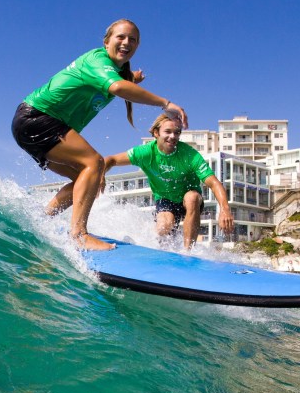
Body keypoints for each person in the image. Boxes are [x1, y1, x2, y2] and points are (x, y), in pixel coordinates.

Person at [11, 19, 188, 251]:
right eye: (121, 37)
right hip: (38, 118)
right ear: (106, 42)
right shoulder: (97, 60)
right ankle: (79, 235)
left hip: (33, 124)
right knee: (94, 163)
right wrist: (166, 103)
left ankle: (42, 220)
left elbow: (123, 81)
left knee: (86, 181)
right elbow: (117, 87)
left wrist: (134, 77)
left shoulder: (116, 71)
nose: (127, 42)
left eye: (133, 40)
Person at [104, 113, 234, 249]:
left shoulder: (189, 154)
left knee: (192, 198)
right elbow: (110, 160)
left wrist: (225, 210)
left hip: (189, 198)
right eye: (167, 132)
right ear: (156, 133)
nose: (173, 136)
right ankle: (161, 250)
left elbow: (214, 183)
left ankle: (188, 252)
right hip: (165, 198)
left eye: (177, 133)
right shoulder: (145, 152)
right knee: (164, 228)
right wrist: (101, 175)